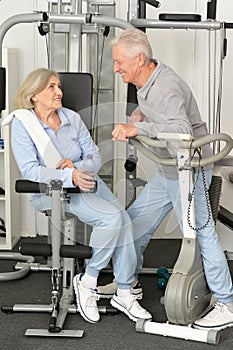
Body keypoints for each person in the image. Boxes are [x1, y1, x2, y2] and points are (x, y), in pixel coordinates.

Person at [97, 28, 233, 331]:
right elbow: (165, 119)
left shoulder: (165, 87)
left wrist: (137, 130)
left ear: (140, 58)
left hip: (190, 169)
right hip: (170, 169)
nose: (116, 68)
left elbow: (182, 131)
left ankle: (227, 303)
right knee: (135, 221)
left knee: (201, 233)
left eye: (120, 62)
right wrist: (144, 118)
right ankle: (127, 283)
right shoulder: (148, 80)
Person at [9, 67, 152, 324]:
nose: (59, 92)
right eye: (51, 87)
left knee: (124, 219)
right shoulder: (24, 124)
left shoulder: (71, 118)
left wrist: (78, 169)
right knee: (111, 219)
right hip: (52, 190)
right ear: (33, 95)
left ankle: (125, 290)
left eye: (59, 86)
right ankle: (89, 280)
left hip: (85, 179)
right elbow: (31, 170)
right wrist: (68, 176)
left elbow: (94, 156)